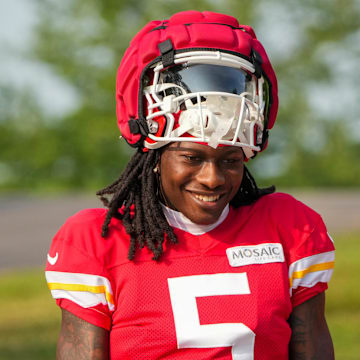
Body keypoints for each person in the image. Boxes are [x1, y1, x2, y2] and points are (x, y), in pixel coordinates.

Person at [45, 10, 335, 360]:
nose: (212, 179)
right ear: (155, 156)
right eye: (192, 158)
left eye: (230, 160)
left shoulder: (289, 227)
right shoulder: (97, 241)